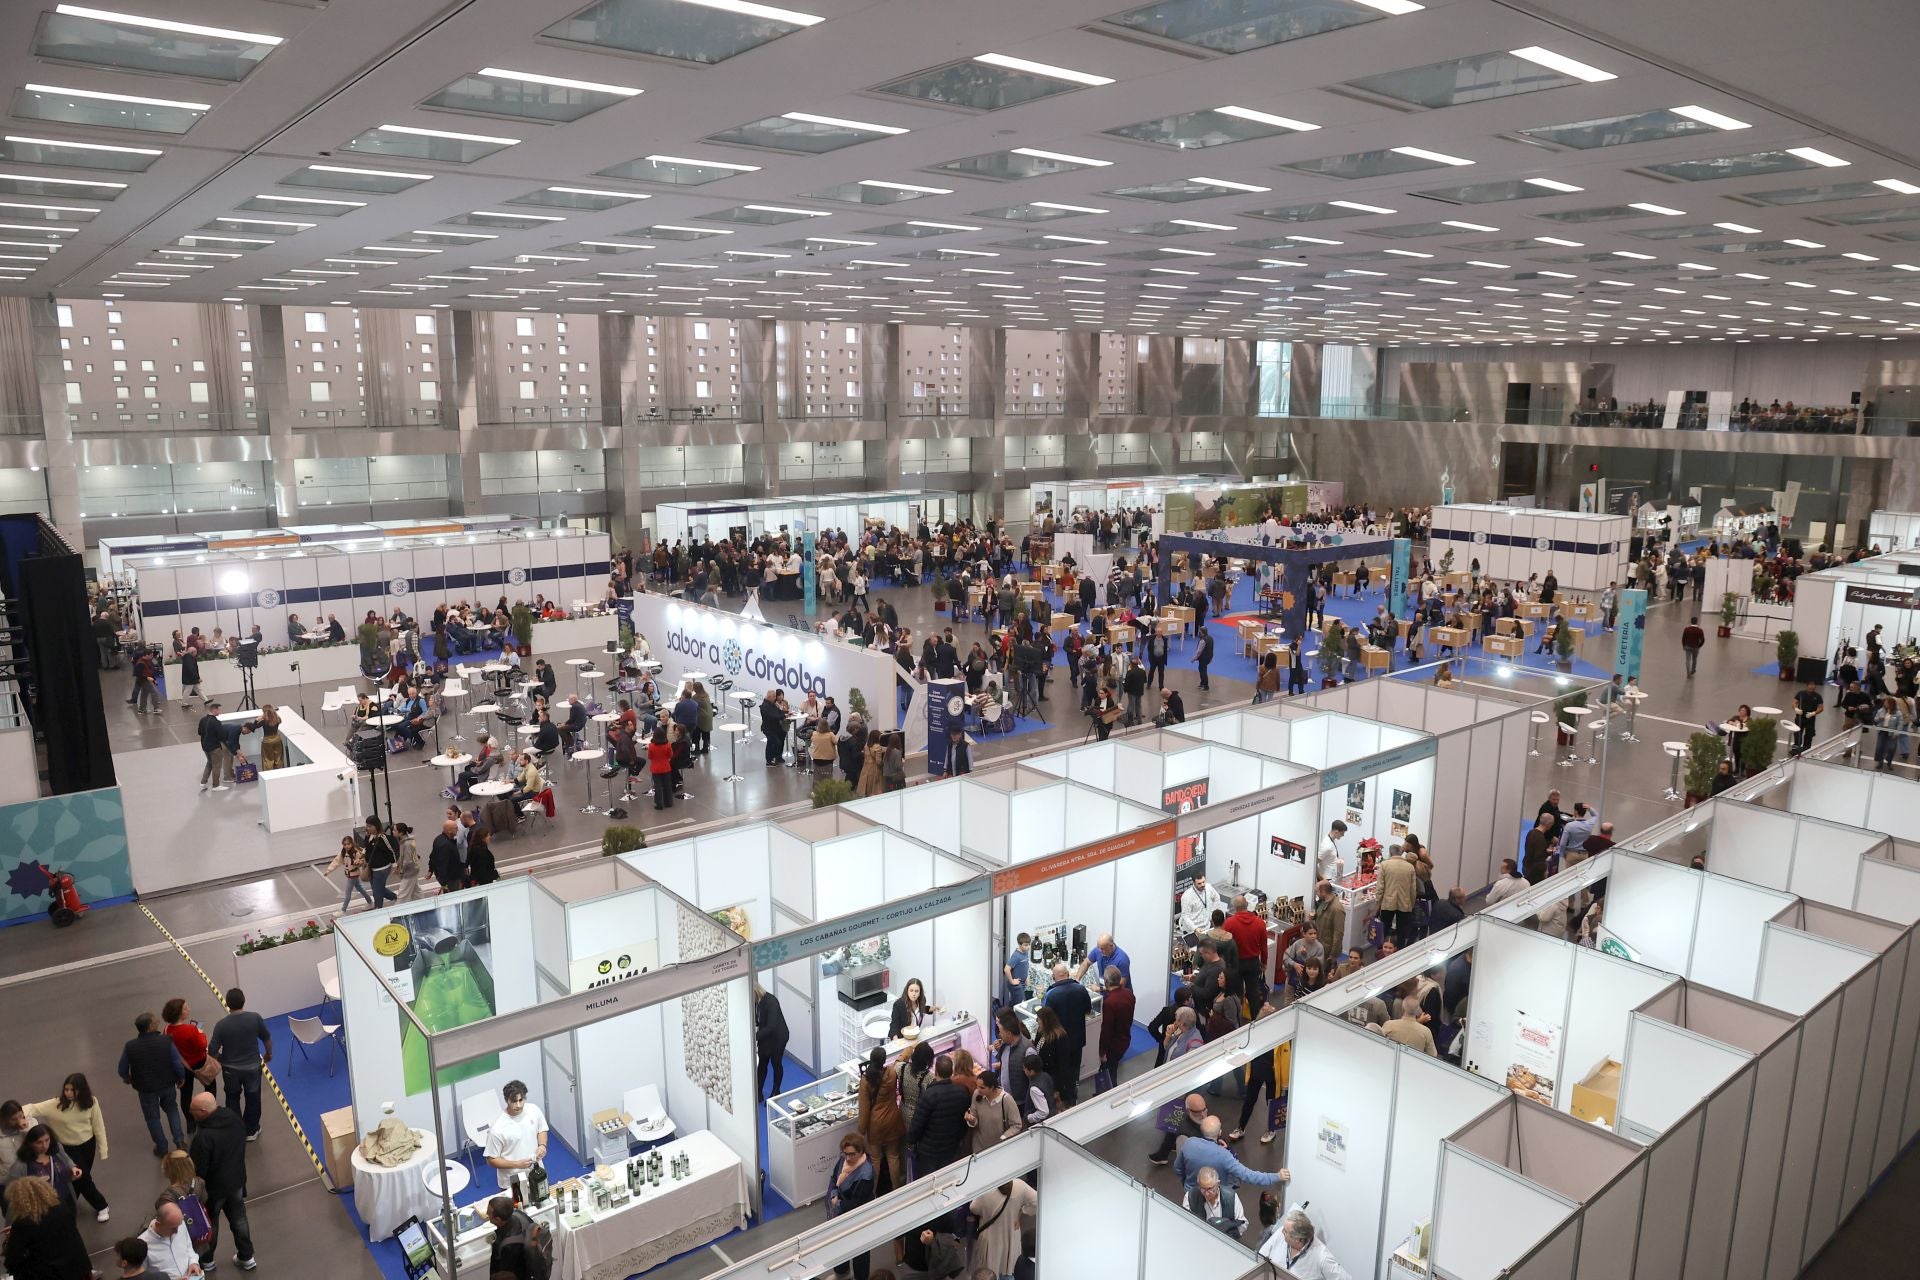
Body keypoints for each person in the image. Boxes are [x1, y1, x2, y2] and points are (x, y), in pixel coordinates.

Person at [186, 1094, 255, 1272]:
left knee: (211, 1224)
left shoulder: (203, 1138)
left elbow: (198, 1171)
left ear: (202, 1112)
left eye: (193, 1112)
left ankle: (207, 1261)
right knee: (239, 1219)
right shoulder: (233, 1118)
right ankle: (246, 1256)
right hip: (237, 1181)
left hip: (213, 1190)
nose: (191, 1115)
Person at [27, 1075, 109, 1221]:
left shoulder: (92, 1102)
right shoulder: (55, 1105)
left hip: (88, 1144)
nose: (69, 1093)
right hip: (67, 1149)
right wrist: (18, 1117)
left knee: (78, 1177)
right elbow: (32, 1108)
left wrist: (103, 1150)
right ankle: (102, 1205)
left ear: (82, 1090)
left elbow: (98, 1126)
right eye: (66, 1089)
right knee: (83, 1178)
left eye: (73, 1090)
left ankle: (71, 1202)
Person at [119, 1012, 187, 1158]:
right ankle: (180, 1141)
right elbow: (177, 1062)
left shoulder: (130, 1046)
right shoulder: (166, 1041)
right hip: (168, 1084)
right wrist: (181, 1077)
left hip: (146, 1089)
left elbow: (122, 1069)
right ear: (150, 1026)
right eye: (155, 1020)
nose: (158, 1021)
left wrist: (128, 1078)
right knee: (172, 1109)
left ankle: (162, 1148)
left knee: (152, 1118)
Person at [206, 990, 270, 1142]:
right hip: (253, 1068)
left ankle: (236, 1129)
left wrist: (222, 1060)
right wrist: (269, 1054)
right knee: (253, 1097)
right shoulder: (255, 1018)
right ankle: (252, 1130)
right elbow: (267, 1038)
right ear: (244, 1000)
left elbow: (212, 1050)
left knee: (232, 1097)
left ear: (227, 1004)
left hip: (230, 1071)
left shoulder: (221, 1025)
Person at [3, 1176, 91, 1280]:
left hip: (50, 1275)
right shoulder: (62, 1209)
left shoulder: (23, 1223)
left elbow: (12, 1259)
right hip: (79, 1268)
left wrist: (13, 1236)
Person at [1173, 1116, 1290, 1193]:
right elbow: (1248, 1175)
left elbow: (1177, 1169)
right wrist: (1276, 1176)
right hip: (1215, 1196)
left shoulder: (1189, 1143)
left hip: (1191, 1194)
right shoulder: (1224, 1155)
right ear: (1219, 1132)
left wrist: (1188, 1184)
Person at [905, 1055, 971, 1175]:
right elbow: (964, 1121)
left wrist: (911, 1140)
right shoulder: (962, 1092)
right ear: (952, 1071)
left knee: (929, 1184)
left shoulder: (928, 1095)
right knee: (947, 1179)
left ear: (935, 1072)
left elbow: (917, 1124)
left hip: (928, 1151)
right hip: (951, 1147)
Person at [825, 1136, 877, 1279]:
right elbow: (834, 1178)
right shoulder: (843, 1161)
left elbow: (858, 1202)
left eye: (852, 1154)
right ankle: (842, 1273)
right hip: (841, 1214)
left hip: (859, 1217)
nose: (847, 1157)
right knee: (839, 1243)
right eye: (845, 1153)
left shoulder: (866, 1173)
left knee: (860, 1250)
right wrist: (834, 1193)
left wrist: (838, 1203)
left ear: (861, 1152)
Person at [1040, 964, 1092, 1106]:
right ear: (1068, 974)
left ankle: (1060, 1100)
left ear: (1053, 977)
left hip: (1059, 1042)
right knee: (1075, 1070)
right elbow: (1088, 1009)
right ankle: (1073, 1097)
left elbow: (1045, 1018)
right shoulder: (1081, 989)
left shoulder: (1051, 994)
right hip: (1077, 1038)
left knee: (1060, 1071)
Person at [855, 1048, 905, 1192]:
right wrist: (908, 1049)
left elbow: (864, 1111)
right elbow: (899, 1062)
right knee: (893, 1156)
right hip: (893, 1120)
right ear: (884, 1060)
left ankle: (873, 1193)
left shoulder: (866, 1080)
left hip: (876, 1125)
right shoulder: (891, 1072)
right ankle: (896, 1190)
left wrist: (861, 1133)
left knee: (875, 1159)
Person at [484, 1081, 548, 1192]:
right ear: (506, 1100)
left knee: (542, 1200)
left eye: (520, 1100)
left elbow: (542, 1129)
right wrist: (516, 1164)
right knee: (518, 1208)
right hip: (512, 1180)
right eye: (513, 1101)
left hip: (536, 1172)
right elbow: (491, 1160)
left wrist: (542, 1145)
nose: (518, 1105)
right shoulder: (497, 1129)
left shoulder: (534, 1110)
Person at [967, 1178, 1036, 1280]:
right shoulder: (1020, 1185)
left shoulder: (986, 1189)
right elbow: (1038, 1200)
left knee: (988, 1272)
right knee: (1009, 1272)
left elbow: (974, 1208)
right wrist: (1022, 1211)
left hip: (990, 1238)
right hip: (1012, 1236)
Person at [161, 1000, 211, 1130]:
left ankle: (190, 1122)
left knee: (186, 1094)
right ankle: (209, 1114)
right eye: (185, 1009)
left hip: (182, 1067)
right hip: (199, 1063)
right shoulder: (191, 1029)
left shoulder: (166, 1030)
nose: (188, 1009)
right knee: (210, 1085)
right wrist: (201, 1033)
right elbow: (202, 1046)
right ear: (179, 1014)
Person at [484, 1196, 549, 1280]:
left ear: (498, 1219)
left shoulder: (509, 1246)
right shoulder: (518, 1214)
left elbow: (508, 1275)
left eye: (489, 1214)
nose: (487, 1214)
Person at [1095, 970, 1135, 1092]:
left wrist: (1102, 1052)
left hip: (1113, 1045)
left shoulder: (1109, 1002)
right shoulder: (1129, 994)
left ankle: (1110, 1094)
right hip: (1125, 1039)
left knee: (1108, 1073)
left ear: (1106, 982)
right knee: (1113, 1068)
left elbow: (1106, 1030)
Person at [964, 1069, 1023, 1152]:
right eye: (977, 1086)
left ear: (992, 1087)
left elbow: (1016, 1125)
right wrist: (972, 1120)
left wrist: (1003, 1138)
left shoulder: (1007, 1100)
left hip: (999, 1149)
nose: (978, 1089)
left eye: (982, 1087)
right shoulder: (977, 1094)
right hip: (979, 1147)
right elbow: (974, 1117)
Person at [137, 1203, 200, 1278]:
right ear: (158, 1225)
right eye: (172, 1228)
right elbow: (141, 1277)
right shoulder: (141, 1245)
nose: (177, 1231)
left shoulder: (178, 1224)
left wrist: (193, 1262)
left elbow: (188, 1247)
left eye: (179, 1226)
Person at [1186, 1166, 1248, 1238]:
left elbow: (1243, 1223)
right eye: (1203, 1188)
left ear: (1218, 1183)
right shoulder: (1190, 1196)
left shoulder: (1231, 1196)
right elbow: (1186, 1223)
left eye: (1210, 1188)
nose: (1206, 1193)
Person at [1376, 845, 1418, 949]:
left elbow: (1380, 886)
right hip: (1405, 902)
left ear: (1390, 853)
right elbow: (1413, 889)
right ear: (1401, 853)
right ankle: (1399, 950)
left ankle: (1383, 949)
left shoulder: (1384, 865)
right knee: (1402, 931)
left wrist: (1378, 902)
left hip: (1388, 902)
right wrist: (1412, 903)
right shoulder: (1410, 867)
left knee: (1384, 928)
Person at [754, 981, 790, 1100]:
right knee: (762, 1064)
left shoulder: (771, 1001)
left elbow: (771, 1026)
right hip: (766, 1036)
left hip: (778, 1037)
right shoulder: (756, 1002)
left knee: (776, 1063)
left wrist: (754, 1037)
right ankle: (758, 1092)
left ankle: (776, 1091)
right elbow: (758, 1021)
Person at [325, 836, 374, 912]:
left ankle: (343, 910)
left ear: (352, 844)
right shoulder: (343, 852)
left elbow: (362, 860)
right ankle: (370, 902)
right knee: (359, 888)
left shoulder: (355, 852)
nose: (346, 846)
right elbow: (336, 861)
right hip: (349, 874)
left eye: (348, 844)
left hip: (353, 875)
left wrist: (358, 863)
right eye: (344, 844)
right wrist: (328, 871)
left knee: (348, 893)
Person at [196, 702, 231, 793]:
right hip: (214, 748)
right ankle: (216, 785)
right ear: (214, 709)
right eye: (219, 709)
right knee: (216, 766)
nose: (220, 711)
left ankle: (203, 782)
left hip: (205, 746)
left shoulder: (202, 720)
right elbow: (222, 736)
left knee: (209, 763)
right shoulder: (216, 722)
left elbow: (199, 732)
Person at [1179, 873, 1224, 942]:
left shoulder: (1208, 887)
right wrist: (1195, 928)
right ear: (1193, 883)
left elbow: (1217, 898)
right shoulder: (1187, 896)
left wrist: (1212, 913)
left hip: (1207, 927)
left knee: (1207, 949)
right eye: (1199, 883)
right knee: (1195, 950)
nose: (1202, 885)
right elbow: (1185, 916)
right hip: (1192, 931)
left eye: (1203, 882)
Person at [1793, 680, 1824, 755]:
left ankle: (1806, 748)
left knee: (1809, 733)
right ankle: (1796, 747)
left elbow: (1821, 707)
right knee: (1797, 732)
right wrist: (1796, 709)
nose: (1811, 687)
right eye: (1810, 685)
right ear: (1807, 686)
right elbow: (1794, 702)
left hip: (1810, 717)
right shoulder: (1800, 694)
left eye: (1813, 686)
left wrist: (1813, 713)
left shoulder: (1817, 696)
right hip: (1800, 716)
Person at [1001, 933, 1032, 1009]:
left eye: (1029, 944)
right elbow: (1006, 969)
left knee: (1015, 1002)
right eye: (1025, 945)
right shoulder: (1016, 956)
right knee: (1022, 1005)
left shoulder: (1025, 952)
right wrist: (1012, 981)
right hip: (1016, 985)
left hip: (1022, 983)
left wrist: (1027, 977)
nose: (1028, 947)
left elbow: (1026, 964)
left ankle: (1008, 1015)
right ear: (1019, 944)